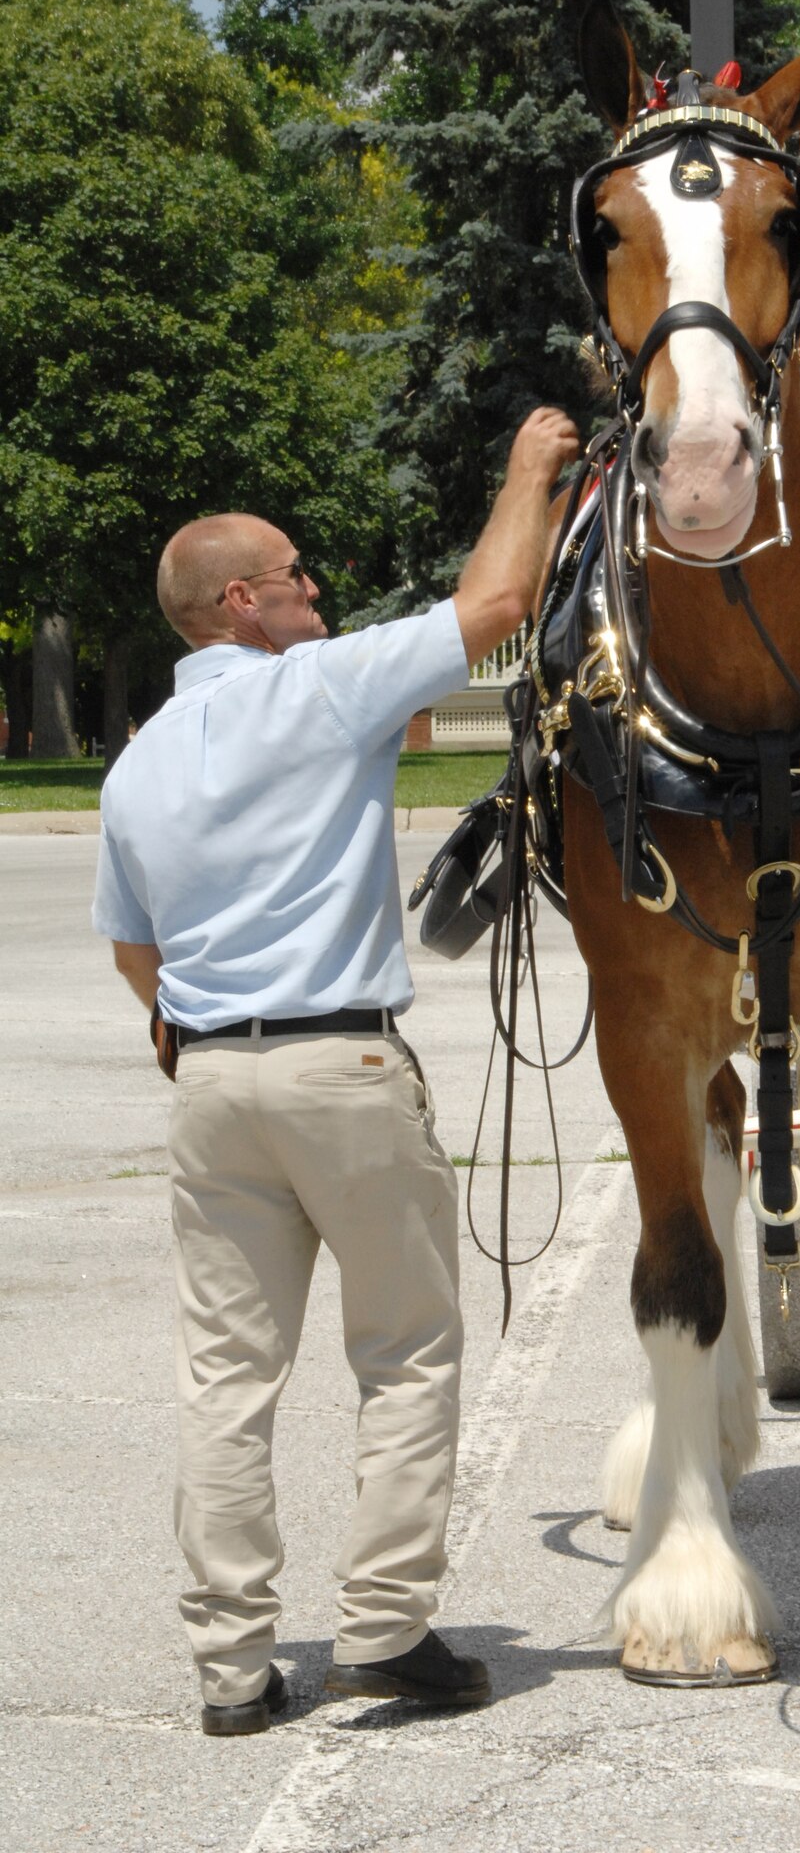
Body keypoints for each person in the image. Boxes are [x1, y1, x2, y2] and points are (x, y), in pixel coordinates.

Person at [93, 406, 580, 1737]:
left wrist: (189, 1029)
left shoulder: (134, 765)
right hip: (341, 1065)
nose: (316, 590)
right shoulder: (320, 685)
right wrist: (531, 465)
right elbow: (499, 599)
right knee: (409, 1354)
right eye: (297, 575)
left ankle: (231, 1668)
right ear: (240, 602)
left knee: (227, 1379)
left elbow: (136, 952)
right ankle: (382, 1634)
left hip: (212, 1081)